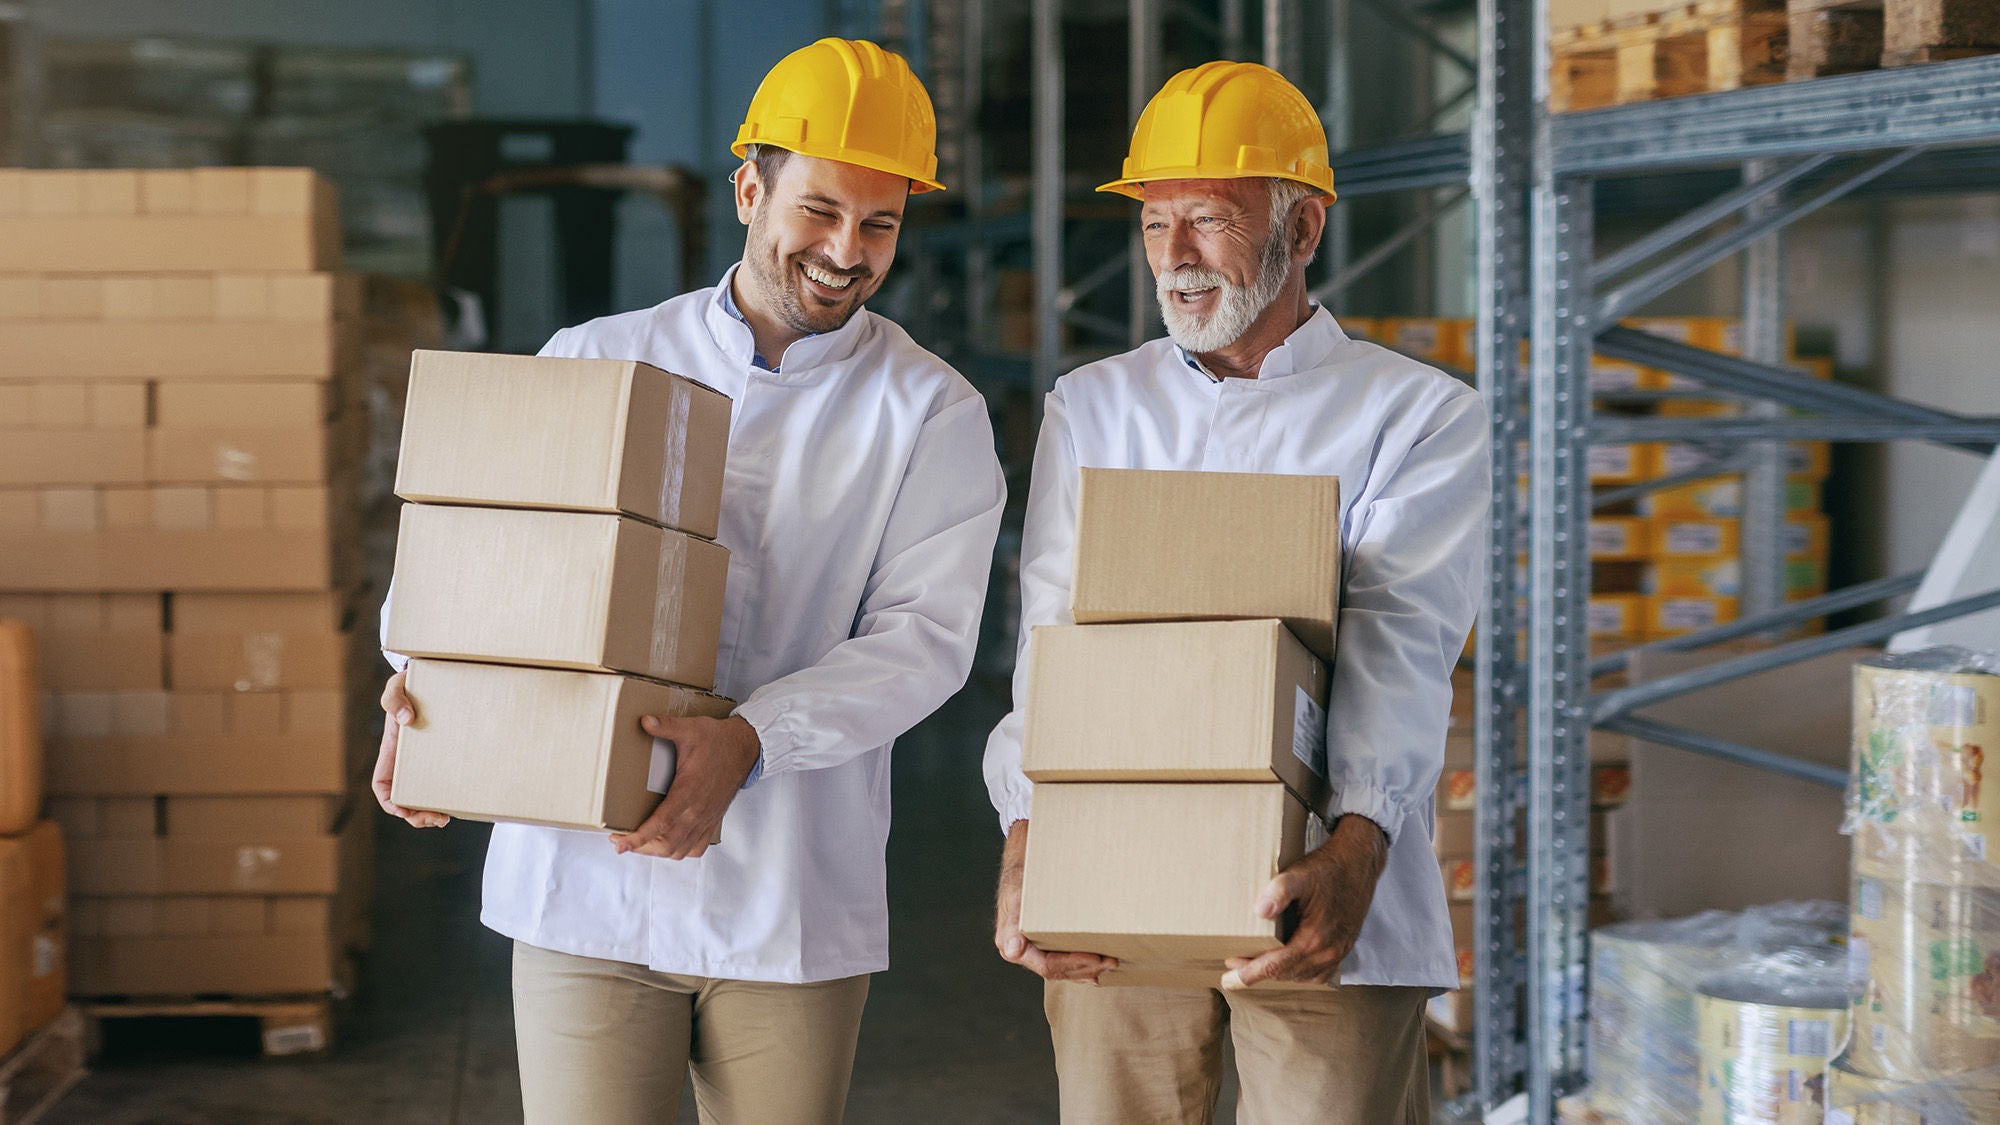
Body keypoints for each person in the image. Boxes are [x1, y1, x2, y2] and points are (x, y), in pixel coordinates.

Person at [373, 38, 1005, 1124]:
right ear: (751, 189)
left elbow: (922, 642)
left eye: (880, 223)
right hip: (581, 889)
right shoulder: (595, 358)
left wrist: (753, 739)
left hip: (787, 898)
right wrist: (430, 690)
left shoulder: (929, 411)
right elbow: (476, 558)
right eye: (819, 210)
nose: (845, 251)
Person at [982, 60, 1490, 1124]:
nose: (1173, 257)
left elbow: (1399, 649)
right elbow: (1052, 644)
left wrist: (1356, 842)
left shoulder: (1418, 417)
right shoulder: (1094, 405)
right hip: (1115, 869)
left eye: (1207, 220)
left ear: (1299, 232)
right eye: (1155, 223)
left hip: (1318, 886)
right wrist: (1028, 831)